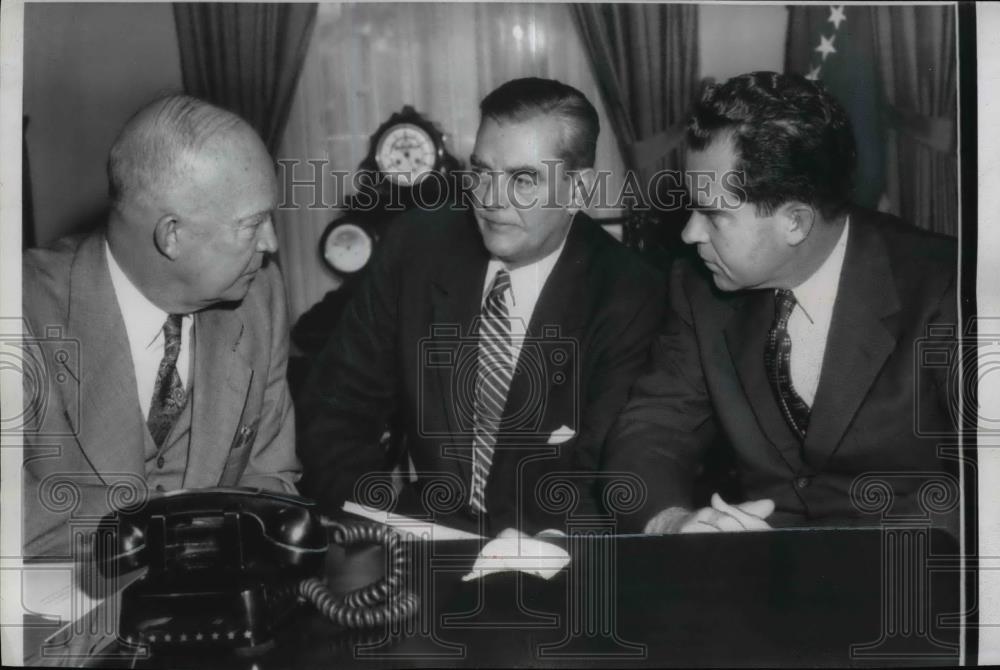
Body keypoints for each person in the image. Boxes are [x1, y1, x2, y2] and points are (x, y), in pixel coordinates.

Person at [297, 77, 665, 535]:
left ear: (579, 190)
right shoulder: (417, 246)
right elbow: (336, 407)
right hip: (413, 541)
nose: (490, 200)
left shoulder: (631, 294)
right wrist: (374, 518)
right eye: (482, 171)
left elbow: (607, 478)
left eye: (523, 179)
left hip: (550, 556)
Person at [606, 71, 959, 536]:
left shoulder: (948, 285)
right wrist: (673, 523)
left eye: (713, 214)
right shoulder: (697, 287)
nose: (690, 234)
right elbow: (652, 428)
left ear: (794, 222)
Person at [22, 95, 300, 556]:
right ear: (171, 234)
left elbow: (272, 482)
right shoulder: (19, 309)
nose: (270, 244)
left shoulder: (258, 297)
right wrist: (170, 530)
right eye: (252, 225)